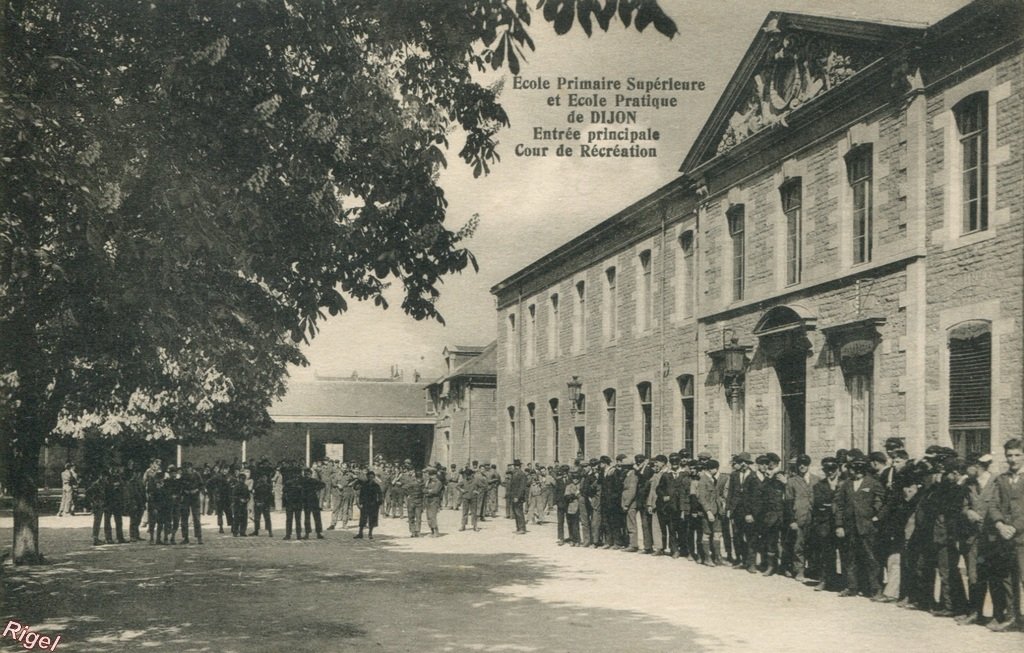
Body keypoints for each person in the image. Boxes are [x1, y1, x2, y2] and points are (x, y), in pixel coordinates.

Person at [834, 456, 885, 599]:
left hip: (867, 527)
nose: (856, 472)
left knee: (871, 558)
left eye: (859, 469)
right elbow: (839, 506)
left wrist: (874, 515)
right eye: (854, 469)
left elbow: (880, 501)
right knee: (850, 558)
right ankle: (852, 587)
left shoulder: (873, 483)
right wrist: (839, 525)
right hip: (850, 527)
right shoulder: (846, 484)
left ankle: (875, 589)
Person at [987, 438, 1024, 632]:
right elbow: (993, 504)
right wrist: (1000, 524)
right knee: (1007, 579)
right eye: (1009, 455)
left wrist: (1014, 528)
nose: (1013, 459)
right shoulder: (1001, 479)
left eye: (1017, 455)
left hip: (1022, 539)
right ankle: (1012, 617)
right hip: (1005, 538)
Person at [179, 462, 203, 544]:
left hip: (195, 498)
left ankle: (199, 537)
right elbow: (180, 486)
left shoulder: (197, 475)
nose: (187, 469)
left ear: (191, 468)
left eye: (188, 468)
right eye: (185, 468)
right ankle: (185, 537)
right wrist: (184, 491)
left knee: (196, 518)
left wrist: (196, 490)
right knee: (184, 518)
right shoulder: (183, 476)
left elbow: (201, 485)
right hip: (186, 498)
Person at [355, 470, 383, 539]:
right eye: (369, 477)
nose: (371, 478)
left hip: (374, 505)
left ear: (374, 477)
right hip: (365, 504)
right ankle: (360, 533)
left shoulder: (376, 485)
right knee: (362, 519)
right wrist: (360, 503)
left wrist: (379, 502)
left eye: (372, 477)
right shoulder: (364, 485)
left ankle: (370, 534)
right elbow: (361, 494)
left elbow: (380, 494)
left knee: (372, 519)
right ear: (367, 477)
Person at [301, 467, 325, 539]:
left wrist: (316, 489)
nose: (306, 475)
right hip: (306, 501)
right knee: (307, 518)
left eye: (308, 474)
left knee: (317, 517)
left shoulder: (314, 481)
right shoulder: (302, 481)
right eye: (305, 474)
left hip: (314, 500)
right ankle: (307, 533)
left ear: (311, 474)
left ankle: (318, 533)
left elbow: (323, 484)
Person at [508, 459, 529, 534]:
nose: (515, 467)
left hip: (518, 497)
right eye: (515, 466)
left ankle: (522, 528)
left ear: (518, 466)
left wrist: (517, 496)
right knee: (516, 512)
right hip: (514, 496)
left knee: (519, 512)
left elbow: (522, 487)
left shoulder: (521, 474)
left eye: (516, 466)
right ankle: (518, 528)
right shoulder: (515, 473)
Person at [251, 470, 273, 537]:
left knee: (267, 518)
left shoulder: (269, 486)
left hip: (265, 504)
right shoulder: (257, 486)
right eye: (262, 477)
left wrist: (263, 502)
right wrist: (257, 502)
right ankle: (256, 530)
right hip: (258, 504)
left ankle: (270, 531)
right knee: (257, 518)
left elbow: (269, 496)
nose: (263, 479)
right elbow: (255, 495)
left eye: (264, 477)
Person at [424, 467, 443, 537]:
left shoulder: (438, 482)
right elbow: (424, 490)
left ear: (435, 475)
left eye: (432, 475)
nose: (431, 477)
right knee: (428, 516)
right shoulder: (428, 482)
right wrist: (428, 490)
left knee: (433, 516)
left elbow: (435, 491)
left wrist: (428, 491)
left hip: (435, 500)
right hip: (428, 500)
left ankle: (436, 531)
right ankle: (432, 530)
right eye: (430, 475)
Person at [231, 471, 251, 537]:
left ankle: (242, 532)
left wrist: (247, 499)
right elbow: (233, 496)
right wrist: (239, 499)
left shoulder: (245, 486)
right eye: (241, 479)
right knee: (236, 519)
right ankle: (235, 532)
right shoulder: (236, 486)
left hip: (244, 505)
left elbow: (248, 495)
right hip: (237, 505)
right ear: (239, 479)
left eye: (244, 479)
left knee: (244, 519)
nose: (243, 480)